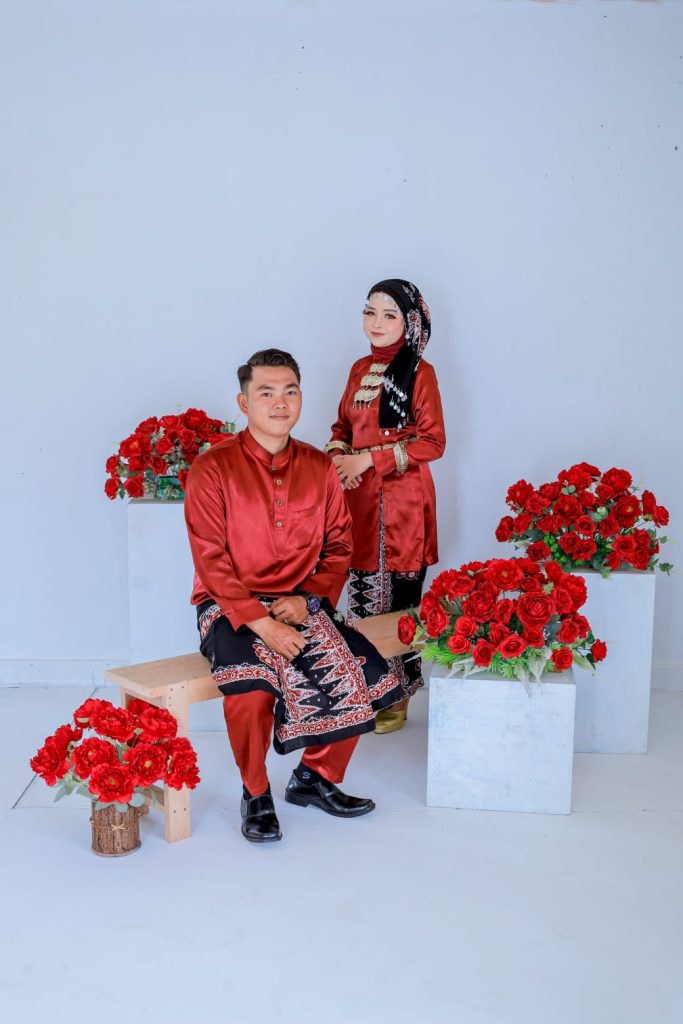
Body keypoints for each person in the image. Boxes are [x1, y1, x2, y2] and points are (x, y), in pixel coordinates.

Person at [184, 348, 403, 843]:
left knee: (366, 672)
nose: (280, 402)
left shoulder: (320, 467)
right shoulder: (212, 468)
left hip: (301, 601)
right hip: (228, 604)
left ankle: (314, 778)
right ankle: (255, 793)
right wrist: (262, 623)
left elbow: (340, 546)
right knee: (252, 687)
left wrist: (309, 600)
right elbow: (210, 560)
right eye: (266, 392)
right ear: (244, 403)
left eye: (290, 391)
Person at [325, 279, 446, 734]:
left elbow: (433, 442)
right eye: (369, 312)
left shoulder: (420, 372)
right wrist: (340, 459)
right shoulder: (359, 368)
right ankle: (368, 688)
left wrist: (368, 459)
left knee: (399, 599)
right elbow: (342, 426)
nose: (376, 323)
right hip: (357, 499)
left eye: (389, 315)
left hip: (403, 504)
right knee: (360, 596)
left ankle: (398, 695)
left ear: (410, 322)